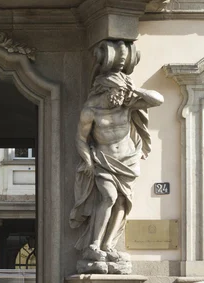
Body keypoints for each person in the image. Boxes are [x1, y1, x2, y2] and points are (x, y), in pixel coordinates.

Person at [69, 70, 163, 265]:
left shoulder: (126, 105)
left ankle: (108, 245)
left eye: (123, 93)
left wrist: (134, 89)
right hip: (103, 160)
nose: (120, 97)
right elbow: (80, 139)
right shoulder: (91, 111)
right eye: (117, 93)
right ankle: (94, 244)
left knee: (122, 202)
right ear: (106, 90)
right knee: (109, 197)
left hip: (128, 161)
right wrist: (87, 160)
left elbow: (158, 100)